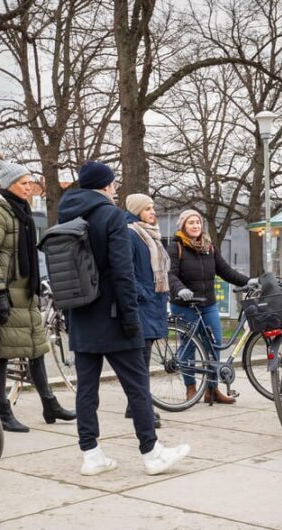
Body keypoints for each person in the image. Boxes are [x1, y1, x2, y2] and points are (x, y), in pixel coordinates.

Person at [58, 160, 189, 476]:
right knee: (137, 386)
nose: (116, 189)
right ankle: (151, 452)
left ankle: (91, 454)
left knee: (86, 389)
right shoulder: (111, 216)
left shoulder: (67, 214)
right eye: (113, 184)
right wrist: (132, 317)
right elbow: (122, 272)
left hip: (81, 315)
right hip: (115, 317)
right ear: (105, 186)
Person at [0, 152, 75, 433]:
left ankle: (49, 403)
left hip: (25, 292)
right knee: (0, 352)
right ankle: (1, 410)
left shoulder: (22, 212)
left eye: (30, 182)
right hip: (5, 292)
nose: (28, 187)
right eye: (23, 183)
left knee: (36, 348)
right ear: (9, 184)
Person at [168, 209, 249, 404]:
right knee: (188, 346)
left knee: (215, 344)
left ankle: (212, 390)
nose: (195, 225)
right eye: (191, 223)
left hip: (208, 304)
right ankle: (191, 388)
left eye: (197, 222)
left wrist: (248, 281)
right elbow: (170, 274)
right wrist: (179, 289)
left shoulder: (209, 246)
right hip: (184, 304)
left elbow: (225, 271)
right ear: (183, 226)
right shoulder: (176, 246)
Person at [123, 193, 166, 429]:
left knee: (144, 359)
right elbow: (126, 269)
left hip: (153, 304)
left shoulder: (152, 235)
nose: (152, 212)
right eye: (147, 208)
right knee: (140, 360)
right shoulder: (131, 234)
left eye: (153, 208)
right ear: (136, 210)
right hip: (142, 304)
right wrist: (143, 293)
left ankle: (135, 405)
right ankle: (142, 408)